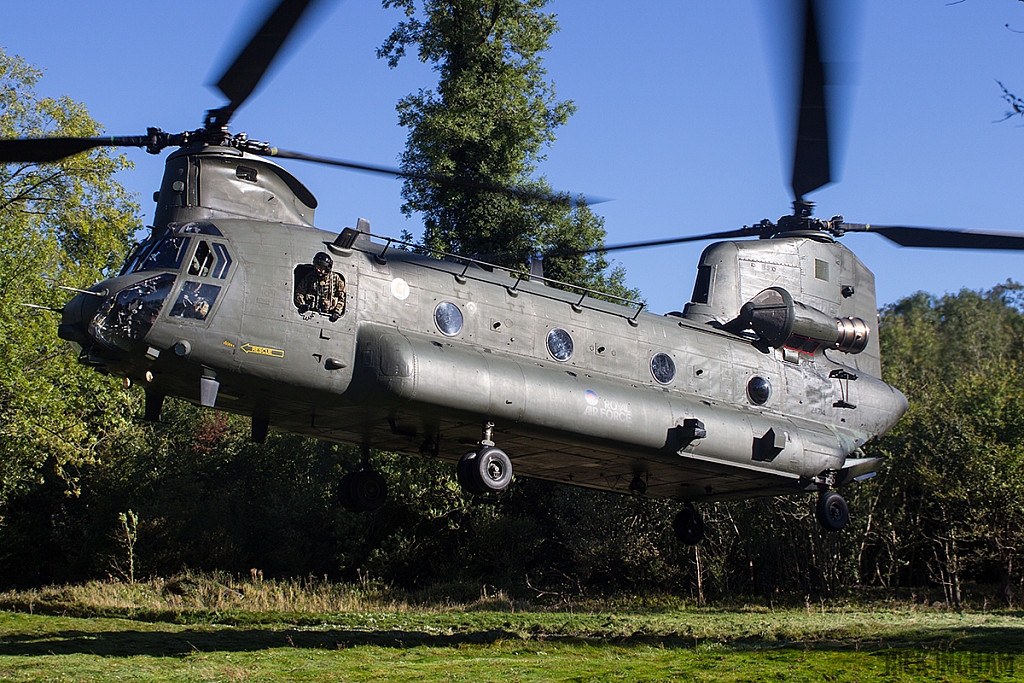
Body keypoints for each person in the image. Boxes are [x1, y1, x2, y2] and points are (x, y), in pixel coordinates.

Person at [295, 251, 345, 321]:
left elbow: (341, 298)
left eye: (321, 268)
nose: (318, 270)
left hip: (327, 314)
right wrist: (302, 305)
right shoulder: (310, 277)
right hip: (311, 312)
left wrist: (337, 311)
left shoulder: (335, 279)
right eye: (317, 267)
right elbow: (299, 292)